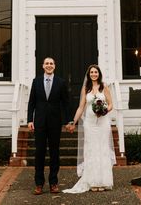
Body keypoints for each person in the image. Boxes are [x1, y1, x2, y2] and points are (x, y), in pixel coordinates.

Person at [63, 64, 116, 193]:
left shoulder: (104, 87)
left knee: (102, 149)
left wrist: (104, 111)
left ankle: (103, 181)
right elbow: (81, 108)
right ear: (89, 74)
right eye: (92, 72)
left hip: (102, 124)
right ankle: (93, 181)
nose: (94, 74)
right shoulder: (86, 89)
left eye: (96, 72)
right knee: (91, 150)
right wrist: (73, 122)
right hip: (90, 124)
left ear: (99, 74)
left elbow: (111, 104)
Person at [27, 56, 73, 195]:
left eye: (51, 63)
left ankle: (53, 183)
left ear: (54, 66)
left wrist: (68, 121)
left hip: (55, 122)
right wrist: (30, 120)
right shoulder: (36, 82)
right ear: (43, 66)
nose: (49, 65)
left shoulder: (61, 82)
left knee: (54, 152)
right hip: (40, 122)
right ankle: (39, 184)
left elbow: (66, 103)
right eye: (46, 63)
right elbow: (32, 103)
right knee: (39, 152)